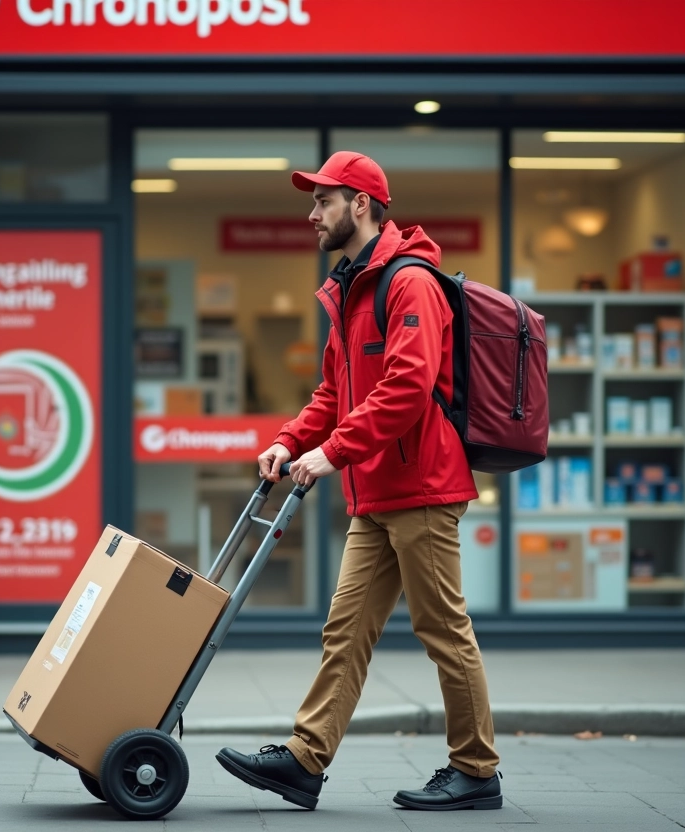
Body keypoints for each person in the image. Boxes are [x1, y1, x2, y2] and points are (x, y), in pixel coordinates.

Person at [216, 151, 502, 812]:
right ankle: (304, 760)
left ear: (362, 204)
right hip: (377, 491)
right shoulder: (353, 288)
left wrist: (332, 453)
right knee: (344, 630)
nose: (312, 215)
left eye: (323, 201)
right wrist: (290, 440)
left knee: (442, 630)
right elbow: (333, 391)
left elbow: (406, 387)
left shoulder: (411, 283)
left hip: (423, 487)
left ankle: (476, 769)